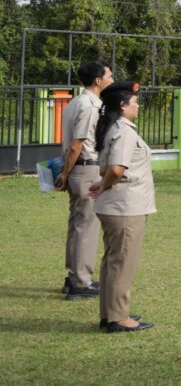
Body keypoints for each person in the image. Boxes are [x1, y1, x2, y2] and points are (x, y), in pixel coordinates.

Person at [88, 81, 155, 332]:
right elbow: (117, 170)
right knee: (122, 262)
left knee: (113, 261)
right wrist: (105, 184)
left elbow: (112, 169)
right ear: (123, 105)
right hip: (125, 207)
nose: (138, 106)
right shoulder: (124, 132)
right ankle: (117, 318)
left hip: (118, 205)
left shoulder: (113, 128)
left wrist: (102, 184)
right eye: (135, 102)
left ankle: (111, 313)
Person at [56, 59, 113, 300]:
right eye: (109, 76)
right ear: (98, 80)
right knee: (86, 227)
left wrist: (66, 173)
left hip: (77, 170)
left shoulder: (74, 102)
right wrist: (65, 173)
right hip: (86, 169)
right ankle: (81, 281)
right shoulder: (90, 106)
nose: (111, 79)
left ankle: (73, 277)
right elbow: (77, 144)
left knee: (77, 225)